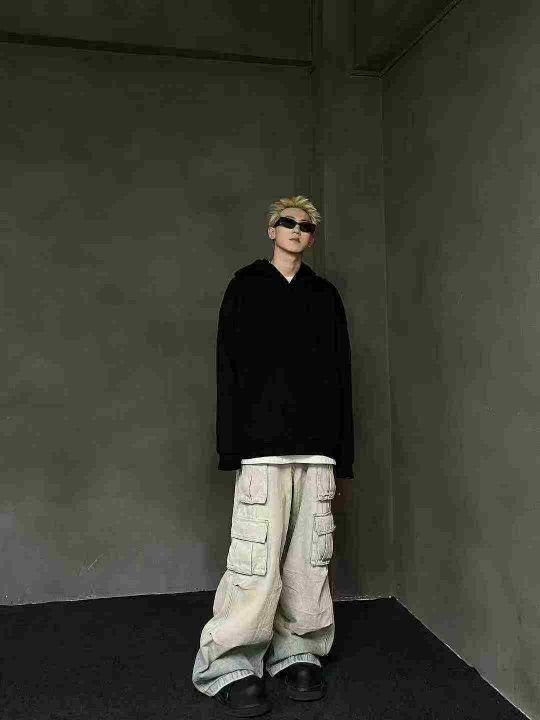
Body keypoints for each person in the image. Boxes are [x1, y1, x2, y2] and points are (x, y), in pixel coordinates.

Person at [192, 195, 354, 716]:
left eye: (306, 226)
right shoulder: (246, 287)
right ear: (271, 229)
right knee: (255, 559)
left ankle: (299, 650)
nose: (296, 230)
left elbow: (342, 374)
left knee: (310, 557)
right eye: (287, 222)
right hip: (262, 448)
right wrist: (233, 447)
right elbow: (228, 366)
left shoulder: (324, 295)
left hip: (317, 449)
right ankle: (231, 662)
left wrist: (342, 454)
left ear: (312, 236)